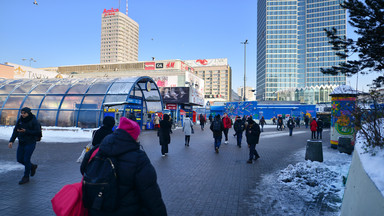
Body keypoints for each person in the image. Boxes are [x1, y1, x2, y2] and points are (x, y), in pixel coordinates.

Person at [80, 117, 167, 215]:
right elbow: (151, 195)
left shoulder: (96, 150)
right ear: (134, 137)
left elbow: (83, 170)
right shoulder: (139, 158)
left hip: (97, 208)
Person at [8, 107, 41, 185]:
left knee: (26, 159)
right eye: (21, 113)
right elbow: (15, 131)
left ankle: (26, 177)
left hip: (30, 143)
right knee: (19, 159)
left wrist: (26, 131)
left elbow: (37, 132)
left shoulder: (34, 121)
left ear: (28, 113)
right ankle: (32, 166)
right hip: (22, 143)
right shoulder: (20, 120)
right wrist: (11, 141)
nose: (22, 114)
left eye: (24, 113)